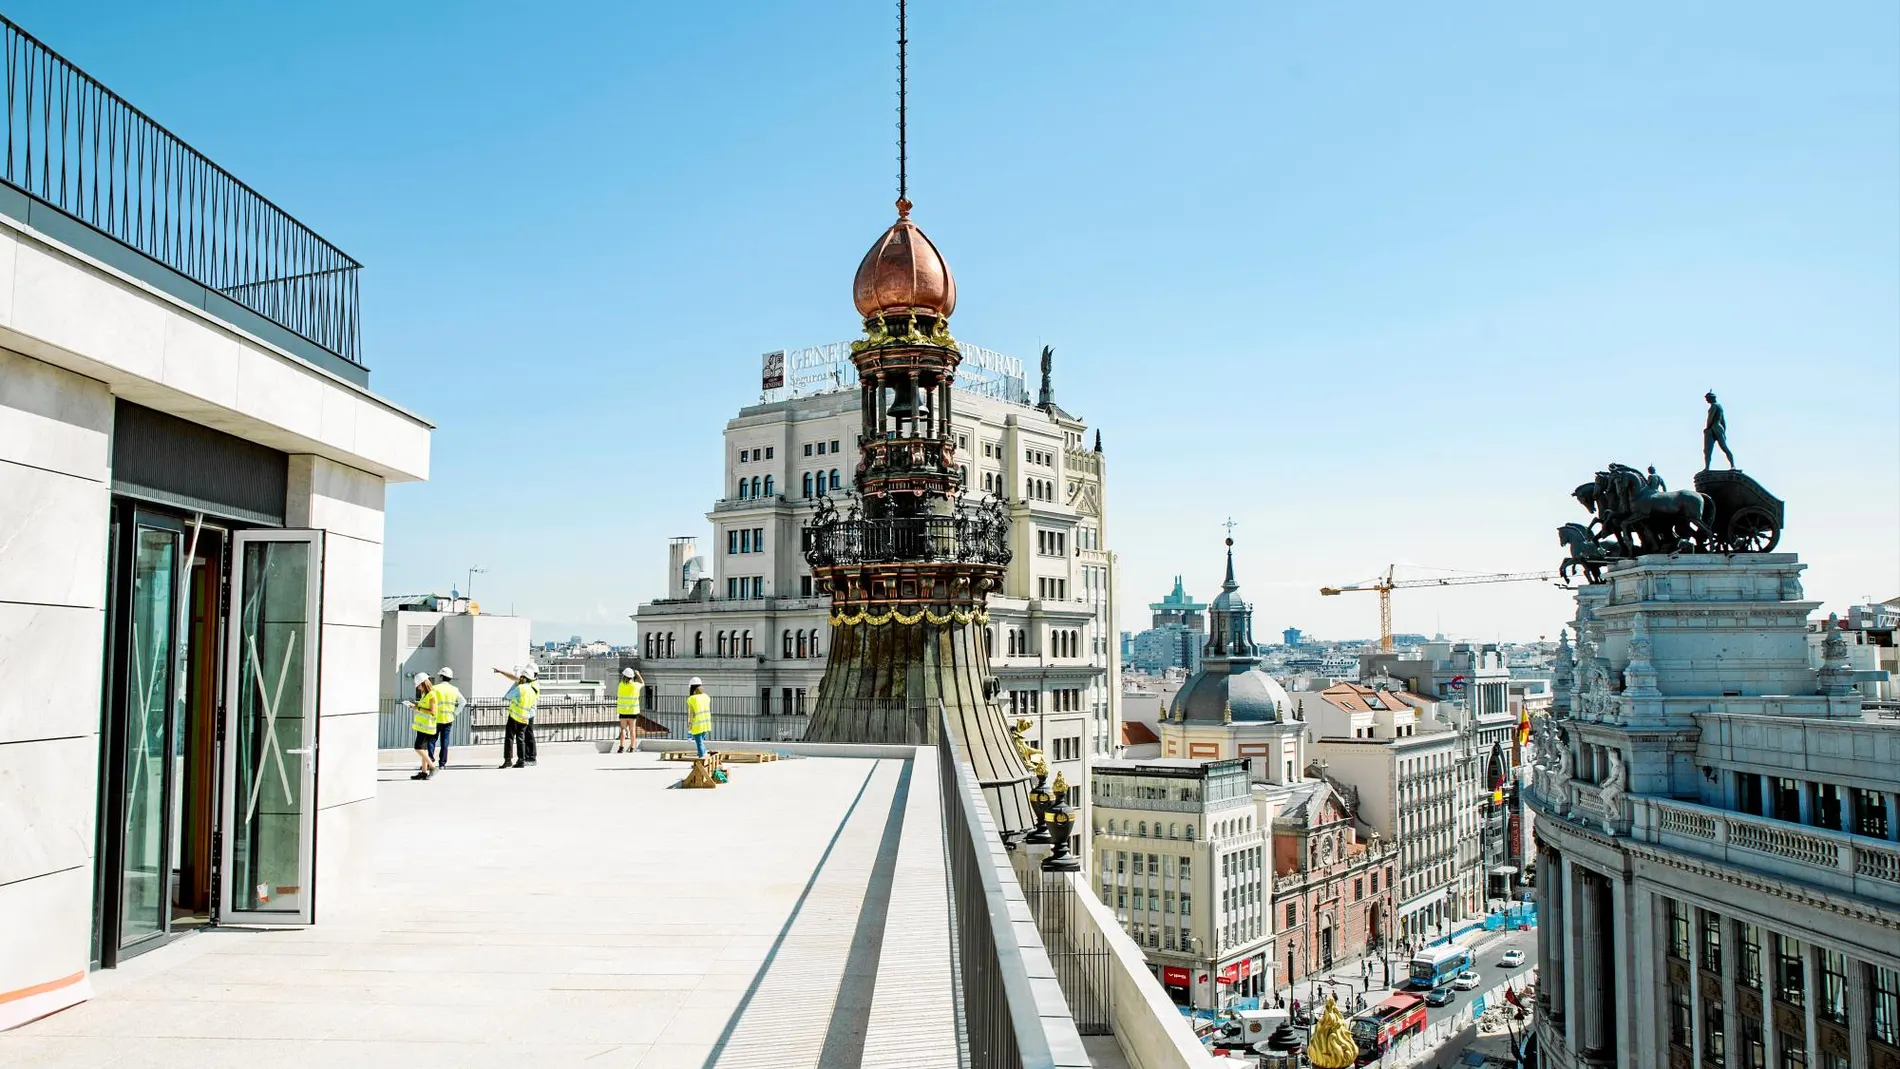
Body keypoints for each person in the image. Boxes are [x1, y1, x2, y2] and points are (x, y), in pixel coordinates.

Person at [495, 664, 540, 768]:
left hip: (520, 715)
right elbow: (513, 677)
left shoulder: (528, 686)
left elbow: (508, 695)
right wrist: (501, 672)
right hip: (526, 714)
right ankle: (522, 759)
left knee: (523, 736)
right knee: (522, 738)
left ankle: (528, 758)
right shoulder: (531, 684)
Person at [405, 673, 440, 780]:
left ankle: (432, 767)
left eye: (419, 685)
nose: (418, 687)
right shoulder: (425, 694)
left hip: (426, 727)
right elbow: (423, 708)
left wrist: (417, 708)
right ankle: (424, 772)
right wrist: (415, 706)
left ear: (423, 683)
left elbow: (432, 711)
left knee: (418, 747)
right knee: (423, 749)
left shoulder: (431, 695)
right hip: (422, 726)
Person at [430, 667, 463, 770]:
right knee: (445, 742)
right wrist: (455, 713)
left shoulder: (434, 688)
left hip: (435, 719)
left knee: (431, 740)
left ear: (441, 676)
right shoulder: (454, 689)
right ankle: (442, 764)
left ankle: (430, 761)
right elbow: (463, 702)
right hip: (448, 719)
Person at [615, 668, 644, 754]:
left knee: (623, 729)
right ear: (632, 677)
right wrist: (638, 674)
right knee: (632, 730)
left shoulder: (620, 685)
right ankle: (632, 747)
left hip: (623, 711)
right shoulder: (635, 685)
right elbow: (643, 683)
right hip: (632, 711)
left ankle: (621, 747)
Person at [1703, 391, 1735, 470]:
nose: (1706, 400)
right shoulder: (1719, 406)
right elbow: (1723, 421)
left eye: (1707, 398)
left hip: (1713, 428)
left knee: (1708, 450)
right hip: (1719, 428)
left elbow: (1710, 418)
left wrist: (1707, 428)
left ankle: (1707, 467)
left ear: (1711, 398)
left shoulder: (1714, 406)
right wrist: (1723, 431)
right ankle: (1732, 465)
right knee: (1723, 447)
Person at [686, 677, 711, 758]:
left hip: (697, 725)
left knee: (699, 743)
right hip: (706, 724)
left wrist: (690, 724)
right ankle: (704, 755)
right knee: (701, 742)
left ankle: (701, 759)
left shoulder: (691, 699)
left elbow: (691, 713)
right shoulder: (706, 697)